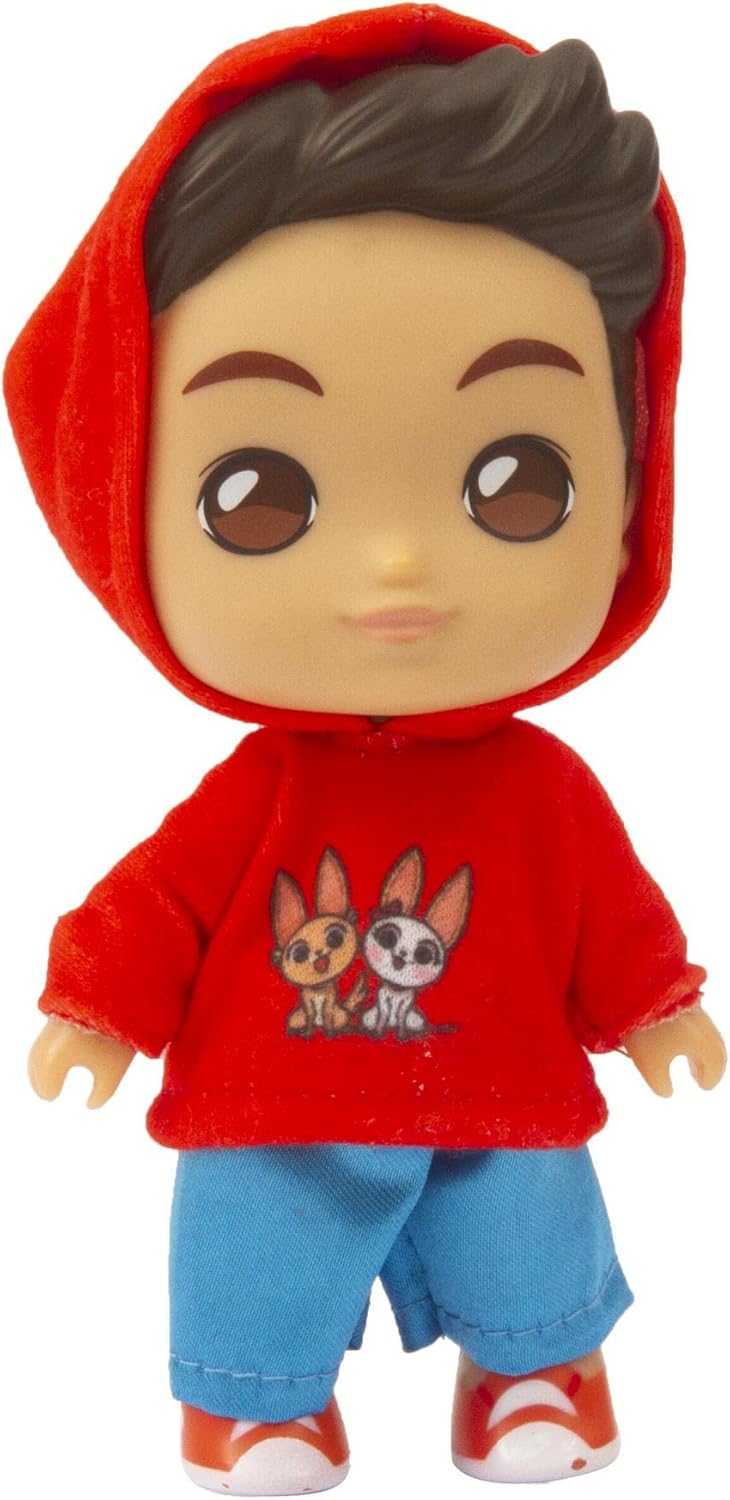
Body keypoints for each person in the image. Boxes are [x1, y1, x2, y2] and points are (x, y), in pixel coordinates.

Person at [5, 4, 725, 1492]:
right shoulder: (259, 793)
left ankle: (533, 1372)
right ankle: (256, 1400)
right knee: (252, 1242)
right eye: (260, 494)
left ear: (629, 482)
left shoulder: (539, 787)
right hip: (274, 1102)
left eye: (516, 480)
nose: (396, 568)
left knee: (529, 1225)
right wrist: (100, 1004)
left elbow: (607, 904)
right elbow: (165, 900)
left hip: (505, 1086)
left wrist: (655, 1003)